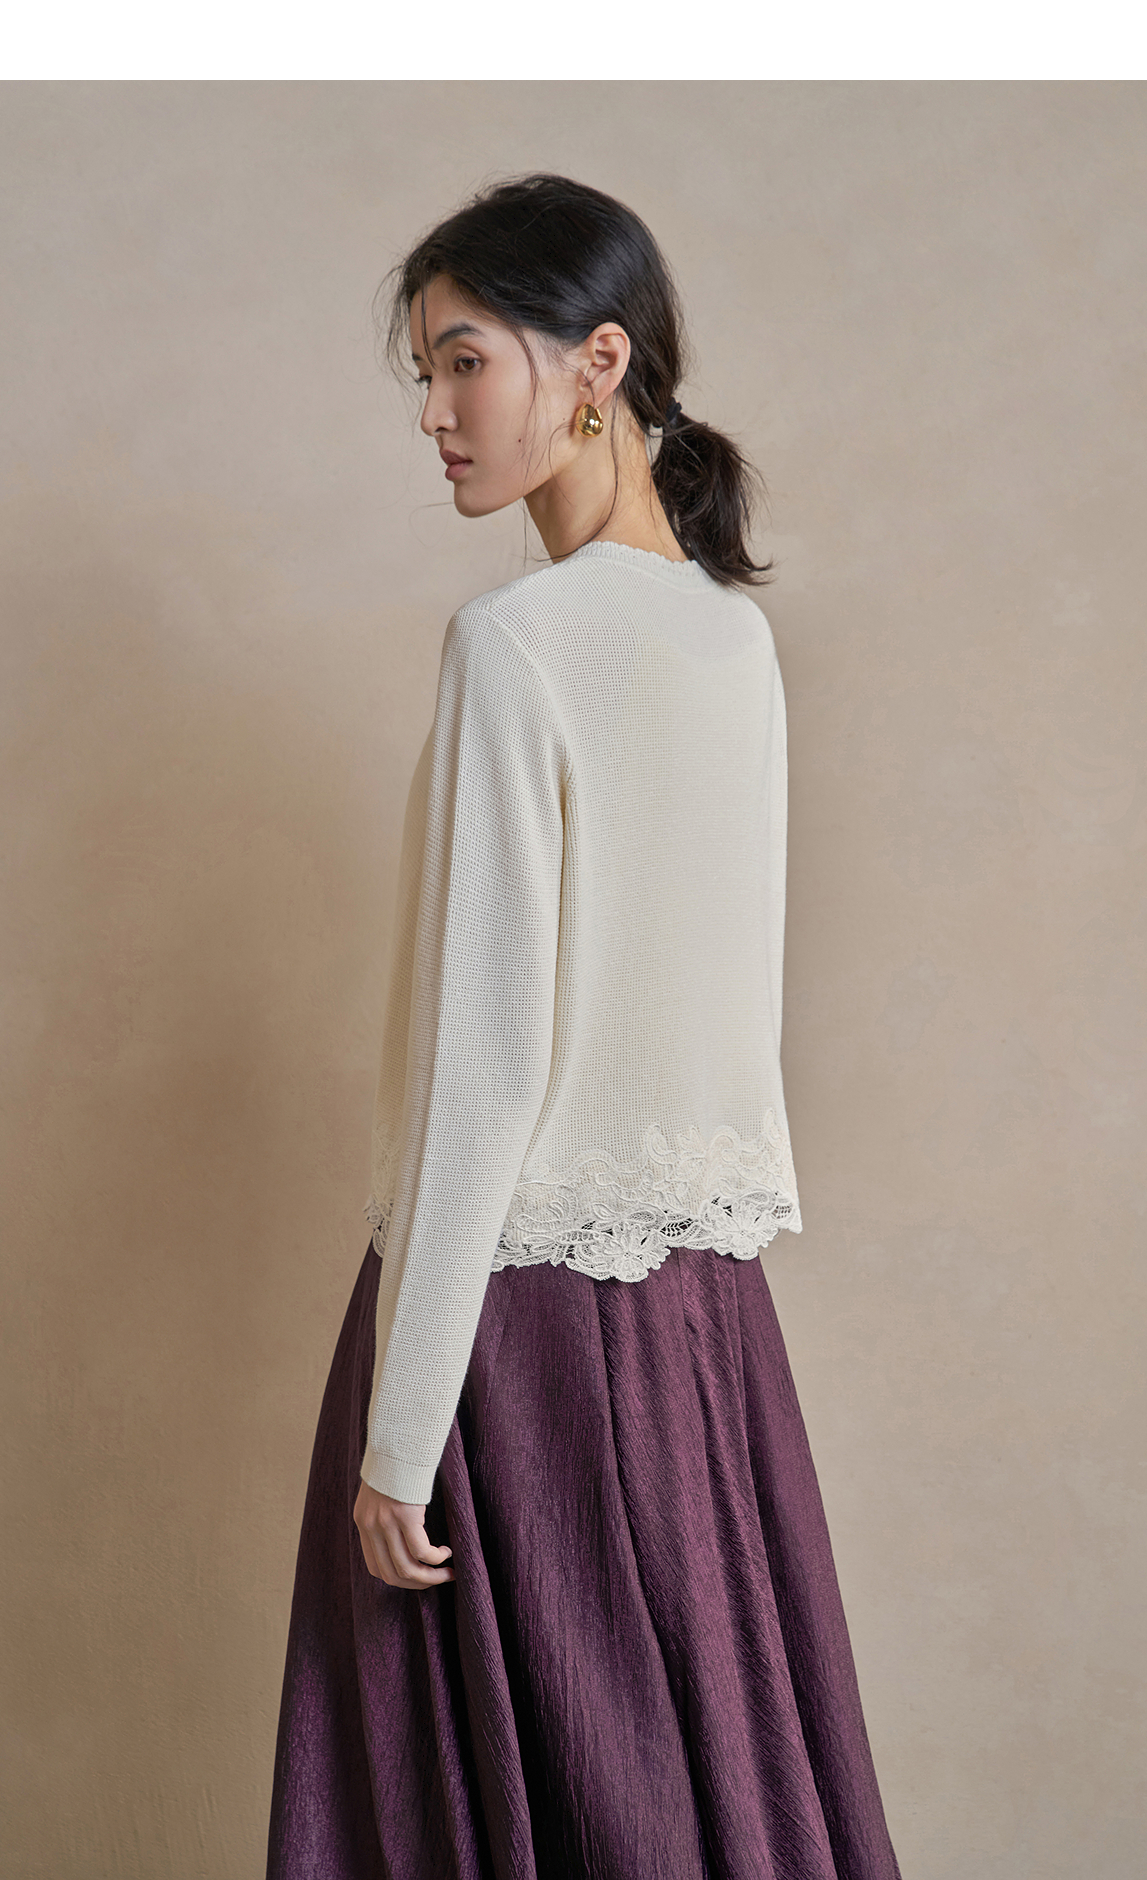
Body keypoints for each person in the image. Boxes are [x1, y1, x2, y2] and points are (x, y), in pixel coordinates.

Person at [266, 171, 903, 1880]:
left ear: (598, 365)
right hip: (704, 1328)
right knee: (701, 1791)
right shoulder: (731, 644)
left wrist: (402, 1429)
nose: (434, 413)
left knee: (499, 1807)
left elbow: (488, 1067)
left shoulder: (513, 645)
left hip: (517, 1334)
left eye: (465, 362)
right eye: (424, 373)